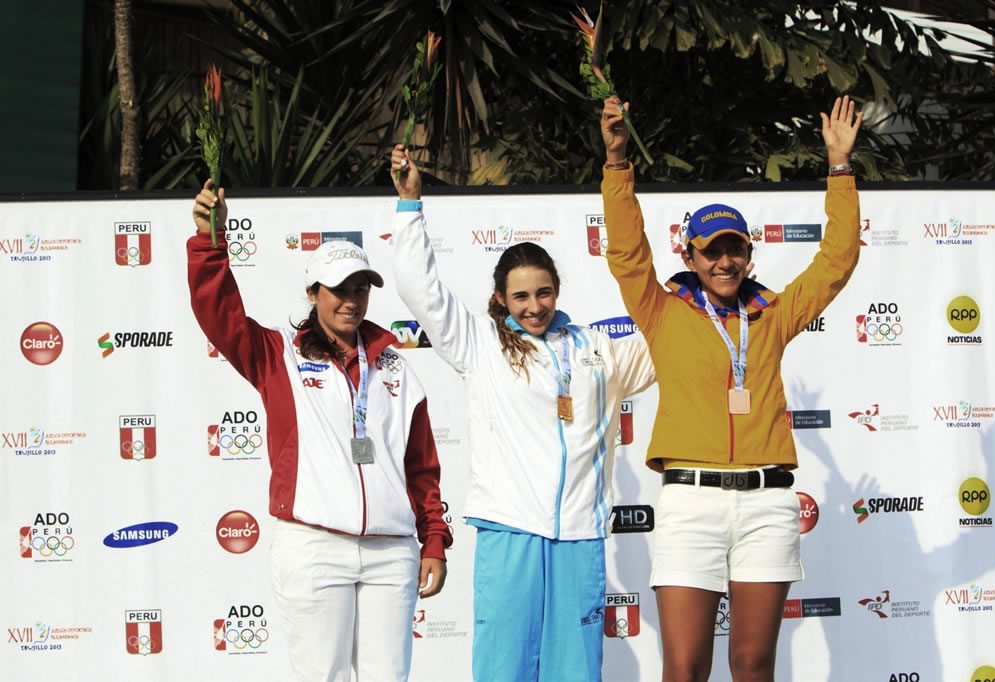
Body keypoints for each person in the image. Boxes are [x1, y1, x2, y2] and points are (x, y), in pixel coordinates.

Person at [599, 95, 863, 682]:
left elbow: (837, 261)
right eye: (711, 250)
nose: (724, 261)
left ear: (749, 253)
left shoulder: (773, 314)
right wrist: (617, 162)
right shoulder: (662, 311)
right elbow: (627, 254)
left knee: (752, 665)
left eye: (734, 248)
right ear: (690, 256)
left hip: (768, 504)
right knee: (685, 668)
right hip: (690, 501)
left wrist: (840, 169)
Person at [386, 145, 656, 682]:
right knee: (503, 668)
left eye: (544, 293)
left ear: (557, 290)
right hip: (510, 531)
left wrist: (705, 293)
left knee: (575, 672)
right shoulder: (480, 344)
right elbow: (422, 292)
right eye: (521, 296)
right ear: (501, 298)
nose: (534, 306)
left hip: (579, 536)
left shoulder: (596, 348)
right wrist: (410, 205)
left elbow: (670, 343)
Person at [188, 179, 452, 682]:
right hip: (314, 547)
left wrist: (433, 540)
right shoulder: (277, 355)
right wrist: (208, 243)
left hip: (392, 550)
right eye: (339, 290)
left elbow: (421, 469)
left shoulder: (396, 368)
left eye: (360, 289)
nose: (351, 301)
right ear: (313, 292)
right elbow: (220, 316)